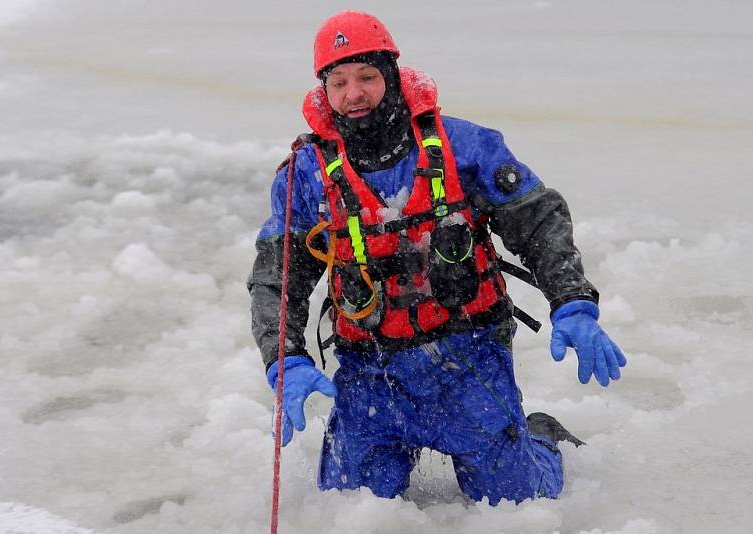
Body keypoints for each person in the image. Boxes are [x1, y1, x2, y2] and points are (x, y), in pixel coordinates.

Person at [248, 10, 626, 505]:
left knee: (512, 500)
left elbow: (538, 222)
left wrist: (572, 300)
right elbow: (277, 278)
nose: (353, 94)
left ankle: (539, 437)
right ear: (325, 90)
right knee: (353, 506)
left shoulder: (465, 145)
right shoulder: (305, 175)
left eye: (366, 76)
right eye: (338, 82)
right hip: (369, 371)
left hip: (468, 357)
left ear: (392, 75)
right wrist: (285, 357)